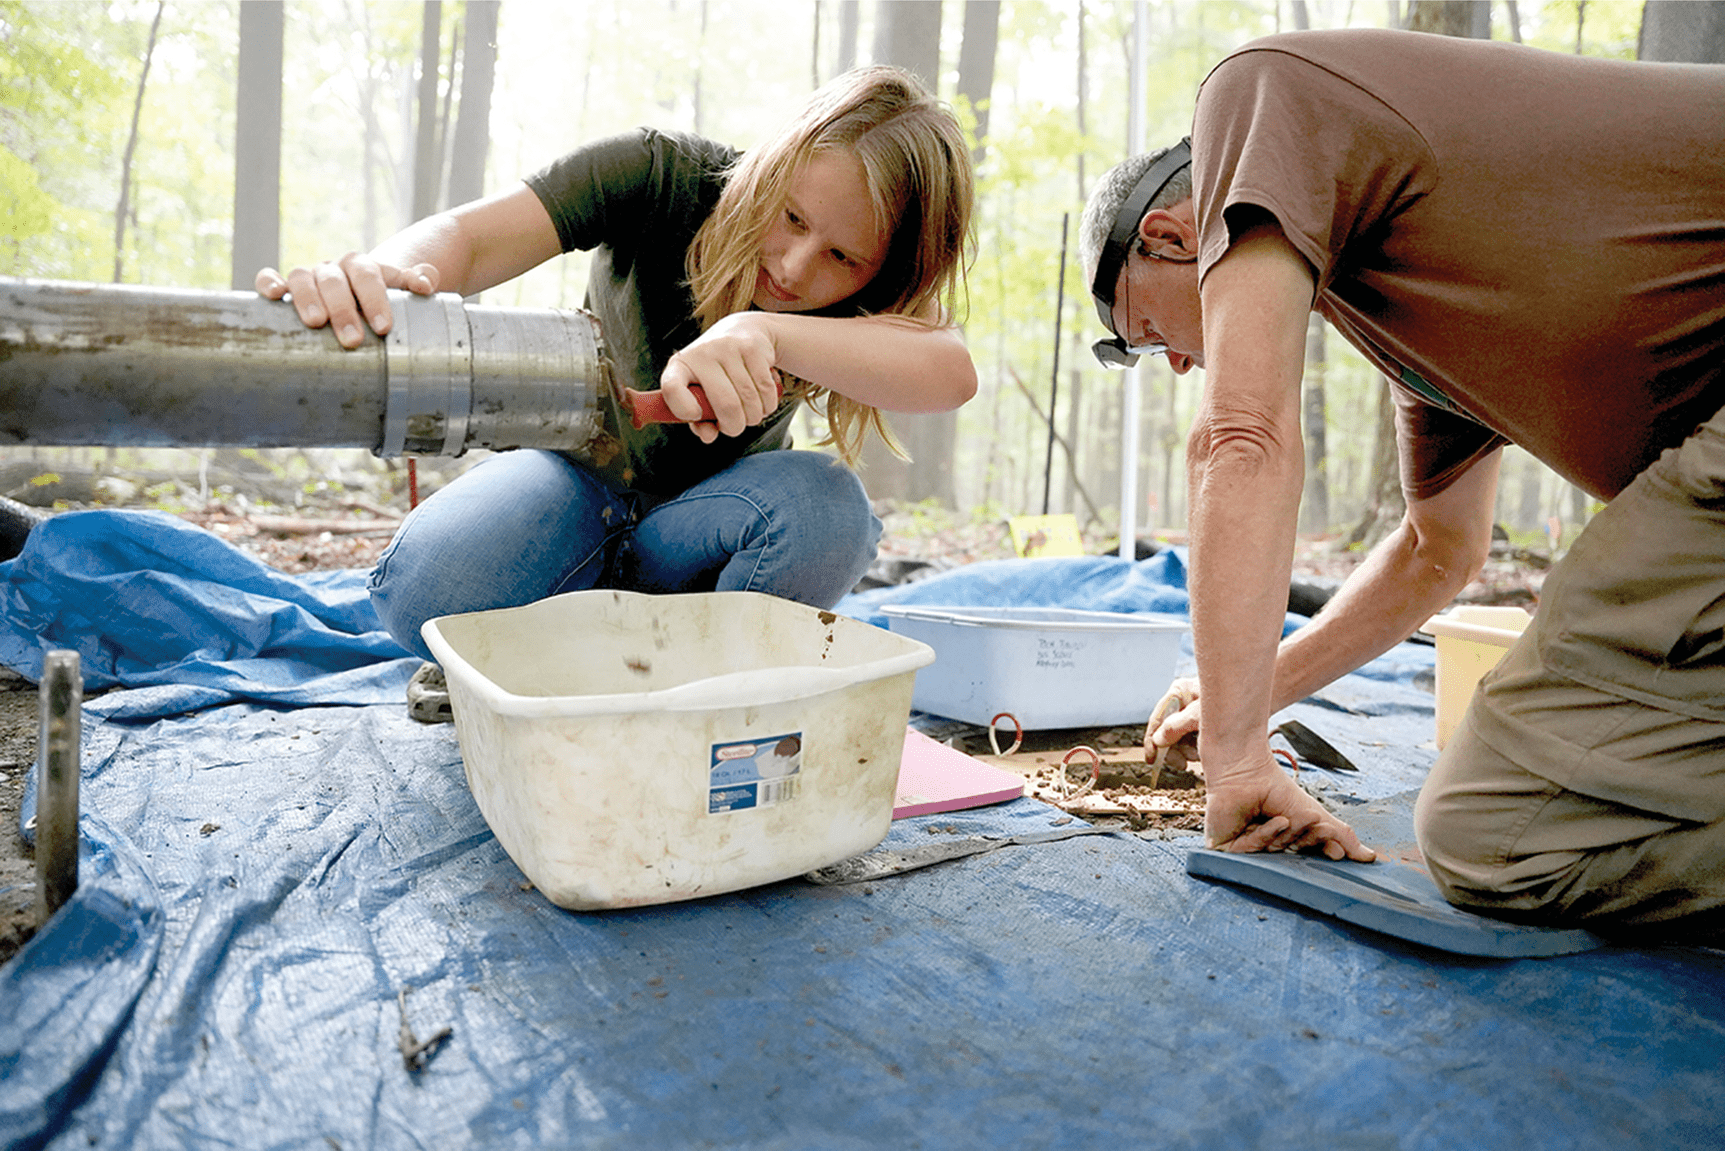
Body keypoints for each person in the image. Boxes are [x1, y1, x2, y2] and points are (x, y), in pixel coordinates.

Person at [1080, 28, 1725, 938]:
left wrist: (1235, 764)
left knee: (1502, 834)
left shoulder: (1258, 94)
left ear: (1172, 232)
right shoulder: (1419, 311)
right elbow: (1437, 550)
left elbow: (1241, 437)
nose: (1180, 365)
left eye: (1149, 335)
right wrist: (1254, 689)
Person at [258, 66, 976, 719]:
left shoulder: (860, 305)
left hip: (700, 536)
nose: (793, 265)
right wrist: (383, 276)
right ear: (774, 163)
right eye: (791, 218)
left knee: (830, 509)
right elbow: (468, 239)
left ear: (884, 274)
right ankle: (555, 656)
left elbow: (950, 371)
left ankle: (697, 693)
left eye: (842, 257)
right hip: (569, 485)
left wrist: (768, 334)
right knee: (421, 587)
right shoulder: (661, 173)